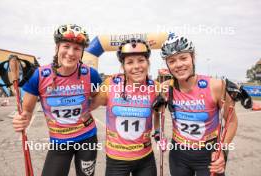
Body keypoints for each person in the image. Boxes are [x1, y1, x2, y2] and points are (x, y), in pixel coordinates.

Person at [12, 24, 102, 176]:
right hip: (59, 143)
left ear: (82, 52)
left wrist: (87, 109)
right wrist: (20, 119)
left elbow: (99, 97)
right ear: (57, 48)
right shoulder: (39, 75)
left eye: (77, 48)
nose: (71, 53)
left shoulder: (90, 74)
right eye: (66, 46)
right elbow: (27, 111)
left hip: (87, 139)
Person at [160, 33, 238, 176]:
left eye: (183, 58)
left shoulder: (215, 85)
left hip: (209, 154)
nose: (178, 65)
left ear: (193, 58)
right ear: (167, 65)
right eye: (171, 61)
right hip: (178, 155)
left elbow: (231, 121)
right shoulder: (166, 88)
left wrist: (223, 151)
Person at [89, 38, 160, 176]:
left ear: (148, 62)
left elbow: (158, 113)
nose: (136, 66)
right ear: (123, 66)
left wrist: (157, 131)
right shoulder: (111, 84)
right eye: (129, 62)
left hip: (145, 158)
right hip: (117, 160)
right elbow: (89, 105)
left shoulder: (156, 87)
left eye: (141, 60)